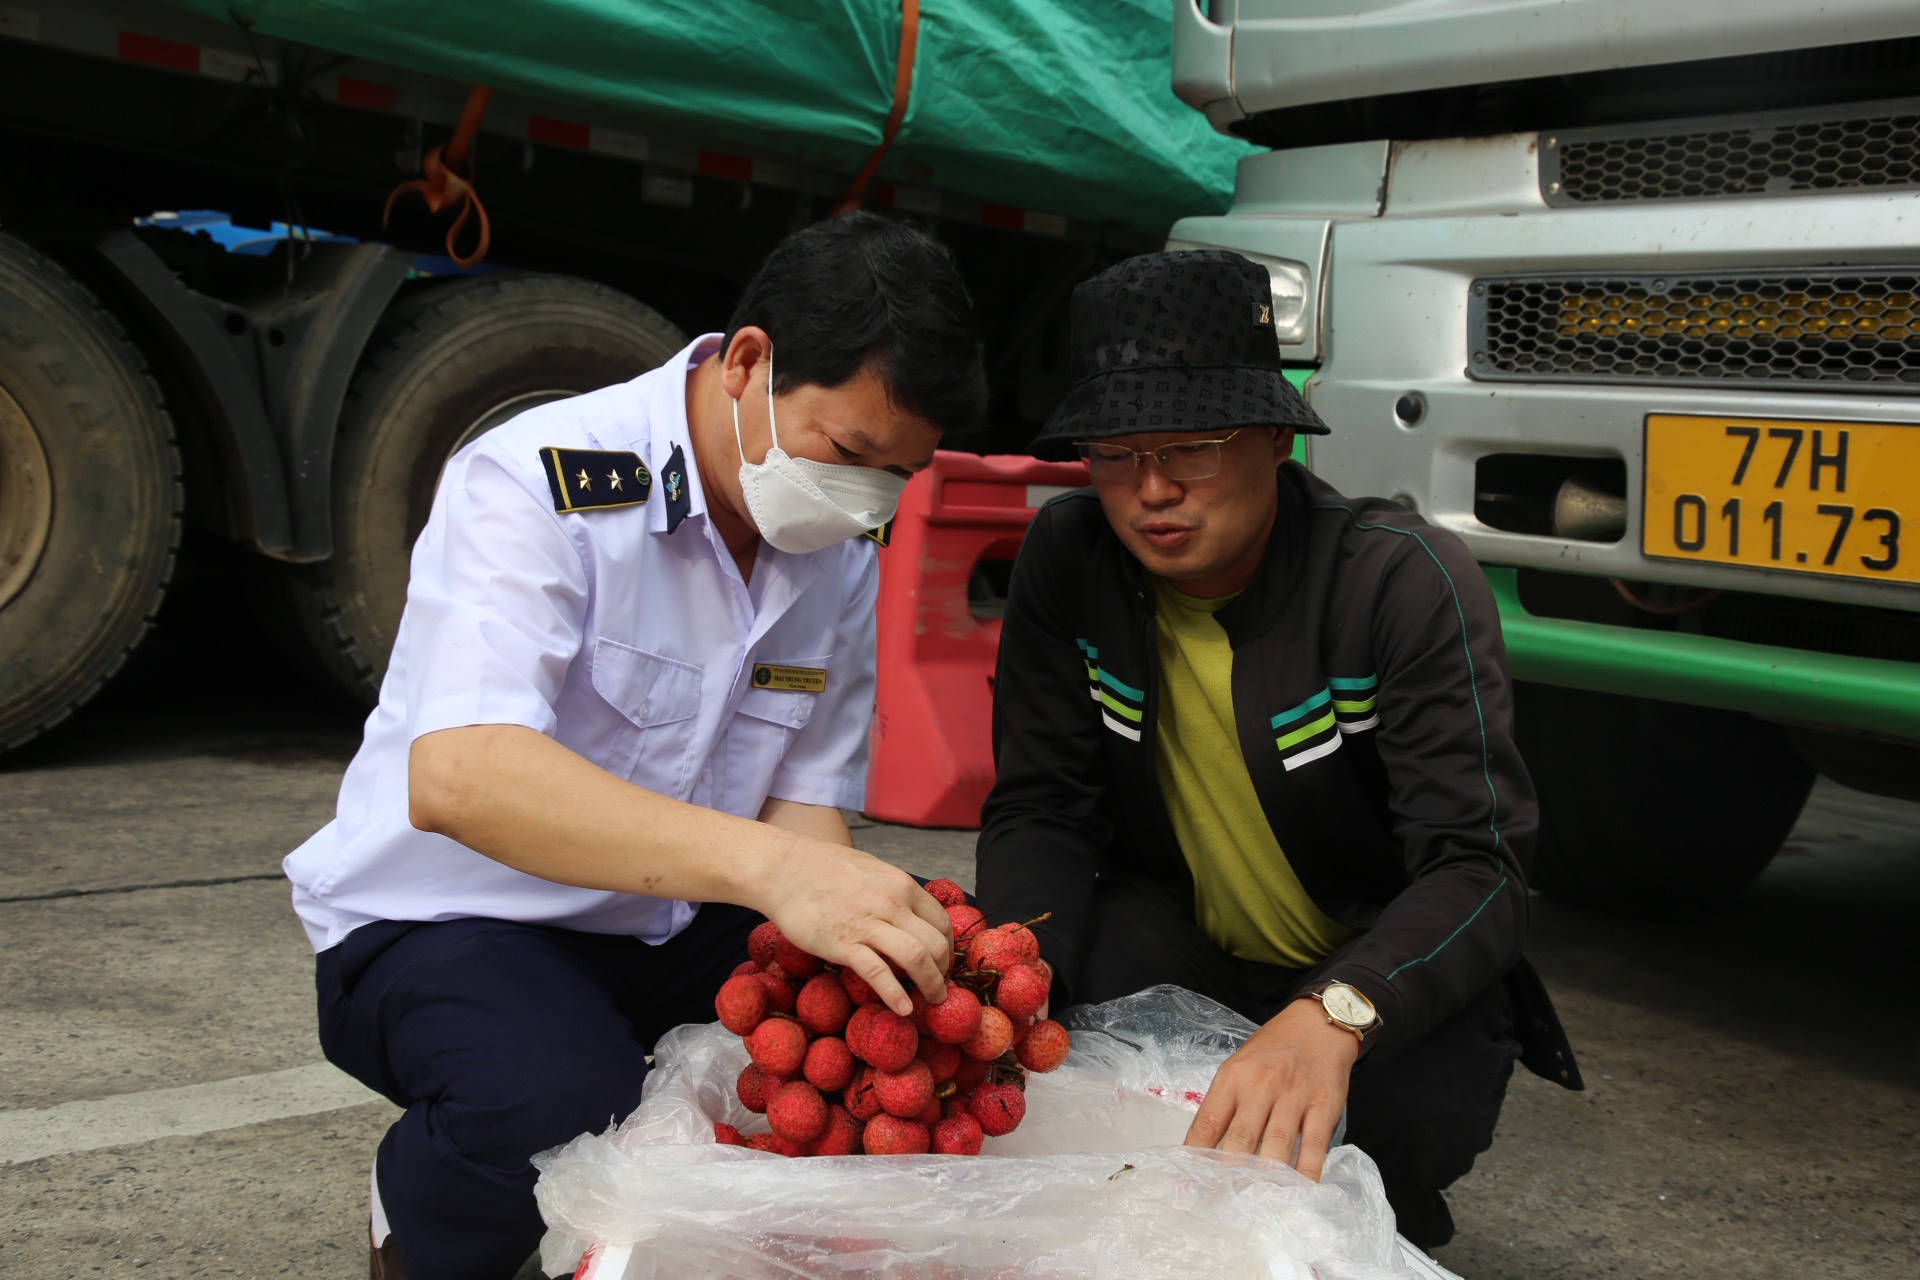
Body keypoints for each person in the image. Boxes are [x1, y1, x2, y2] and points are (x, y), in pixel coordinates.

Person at [284, 211, 987, 1280]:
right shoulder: (537, 482)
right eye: (848, 453)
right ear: (748, 361)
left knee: (876, 1047)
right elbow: (462, 774)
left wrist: (848, 923)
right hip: (458, 914)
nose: (866, 498)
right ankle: (416, 1216)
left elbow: (803, 793)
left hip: (676, 916)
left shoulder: (837, 549)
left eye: (898, 474)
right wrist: (776, 869)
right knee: (560, 1102)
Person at [974, 250, 1581, 1249]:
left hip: (1363, 956)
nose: (1152, 490)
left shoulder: (1399, 581)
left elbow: (1480, 867)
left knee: (1396, 1132)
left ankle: (1377, 1203)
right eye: (1115, 455)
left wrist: (1333, 1013)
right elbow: (1043, 804)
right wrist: (1000, 988)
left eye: (1193, 450)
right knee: (1054, 1073)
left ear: (1275, 438)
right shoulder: (1071, 559)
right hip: (1180, 936)